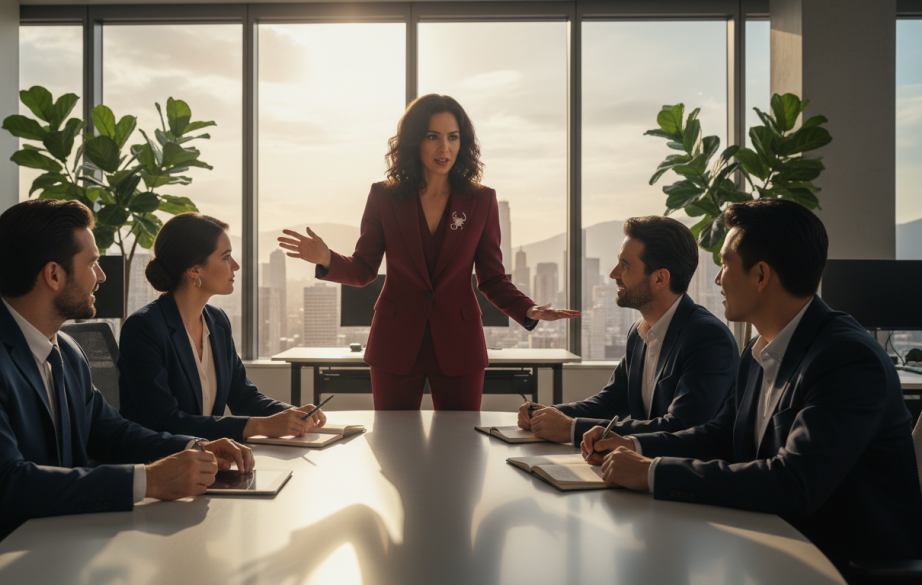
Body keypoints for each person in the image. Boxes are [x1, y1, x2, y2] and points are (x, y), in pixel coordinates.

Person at [0, 199, 253, 574]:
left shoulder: (66, 350)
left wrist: (193, 447)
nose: (101, 276)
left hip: (55, 538)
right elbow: (5, 487)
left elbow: (112, 433)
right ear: (53, 275)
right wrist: (148, 480)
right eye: (92, 263)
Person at [582, 199, 922, 579]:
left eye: (725, 264)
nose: (717, 279)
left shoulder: (846, 358)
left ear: (760, 275)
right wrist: (635, 446)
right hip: (771, 542)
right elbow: (720, 436)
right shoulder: (760, 350)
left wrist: (653, 472)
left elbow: (794, 482)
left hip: (839, 564)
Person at [278, 94, 579, 410]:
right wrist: (326, 259)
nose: (444, 148)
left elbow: (492, 278)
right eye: (432, 136)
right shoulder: (383, 197)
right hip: (395, 341)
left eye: (453, 137)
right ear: (414, 141)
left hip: (460, 342)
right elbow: (365, 269)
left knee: (461, 439)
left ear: (463, 143)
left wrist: (529, 309)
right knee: (393, 439)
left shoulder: (481, 201)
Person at [518, 216, 738, 445]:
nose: (613, 274)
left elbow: (682, 427)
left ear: (660, 278)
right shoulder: (639, 332)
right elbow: (612, 401)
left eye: (625, 266)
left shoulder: (707, 338)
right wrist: (546, 414)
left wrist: (572, 429)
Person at [118, 213, 325, 440]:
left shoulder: (217, 321)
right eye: (226, 257)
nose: (235, 266)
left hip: (209, 455)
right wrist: (260, 426)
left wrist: (292, 413)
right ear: (194, 270)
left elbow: (244, 398)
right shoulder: (143, 328)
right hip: (162, 459)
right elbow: (164, 420)